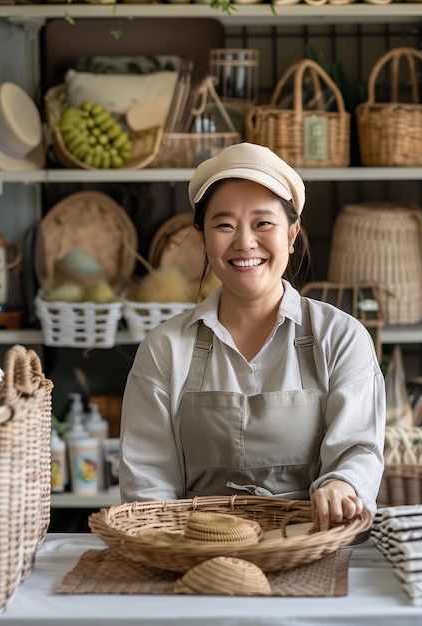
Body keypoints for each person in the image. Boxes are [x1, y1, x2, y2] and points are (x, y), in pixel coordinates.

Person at [119, 142, 385, 530]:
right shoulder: (164, 349)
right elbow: (147, 483)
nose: (244, 242)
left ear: (292, 234)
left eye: (263, 223)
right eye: (224, 225)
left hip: (309, 546)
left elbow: (358, 452)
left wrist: (343, 486)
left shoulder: (341, 338)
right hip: (195, 555)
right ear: (203, 239)